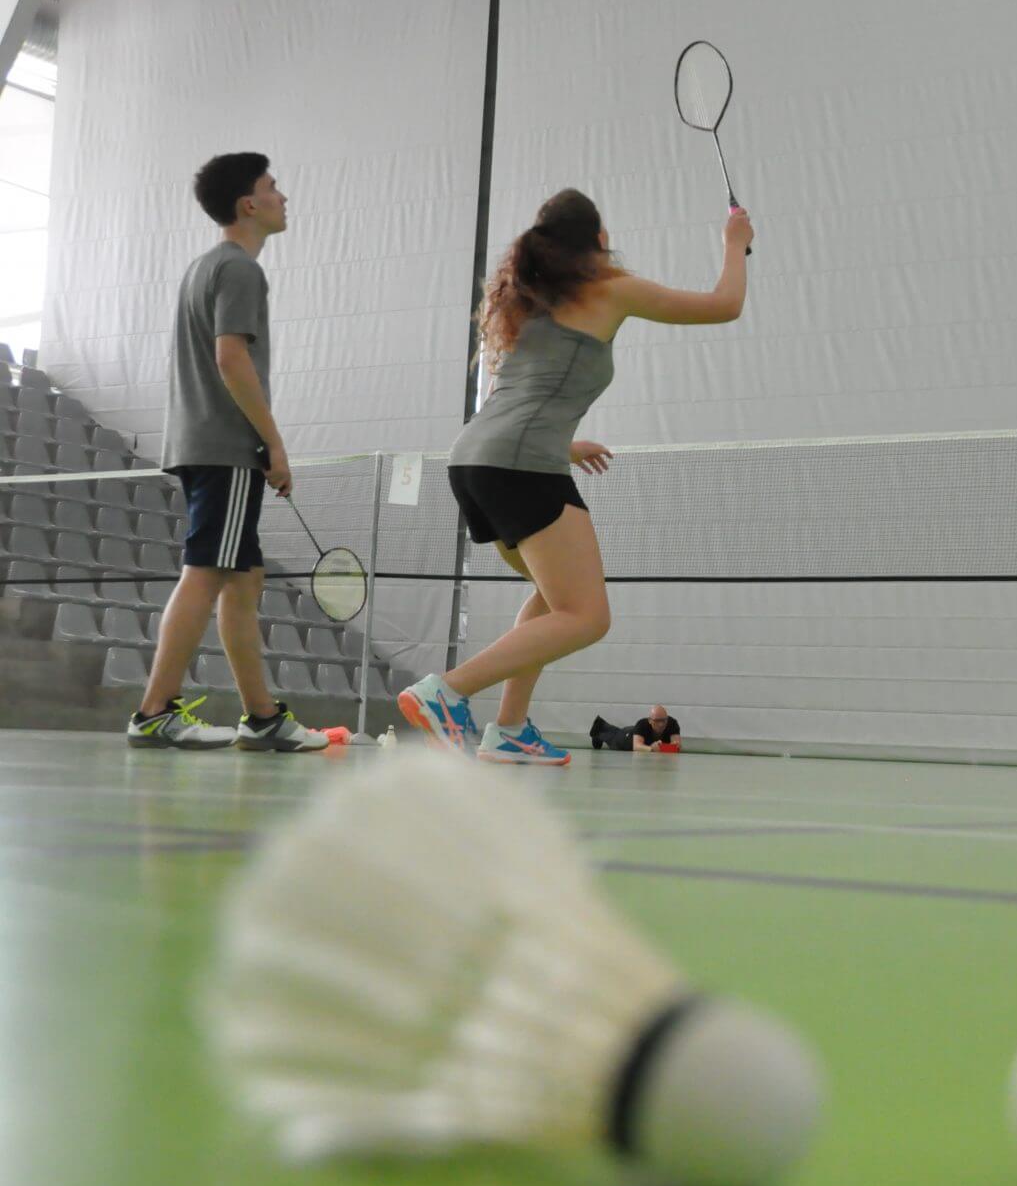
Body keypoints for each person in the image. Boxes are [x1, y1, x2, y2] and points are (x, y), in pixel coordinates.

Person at [398, 189, 752, 764]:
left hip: (478, 460)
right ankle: (449, 690)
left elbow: (526, 396)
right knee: (586, 617)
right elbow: (724, 304)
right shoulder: (609, 288)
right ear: (598, 241)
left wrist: (563, 444)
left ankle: (510, 729)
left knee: (551, 596)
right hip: (519, 464)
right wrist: (734, 244)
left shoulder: (529, 303)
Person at [126, 152, 325, 752]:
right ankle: (153, 711)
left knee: (243, 580)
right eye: (272, 187)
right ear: (248, 204)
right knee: (206, 573)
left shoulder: (202, 267)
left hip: (195, 442)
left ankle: (262, 718)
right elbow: (231, 358)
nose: (282, 197)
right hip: (226, 447)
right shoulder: (239, 270)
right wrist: (272, 442)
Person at [589, 704, 681, 752]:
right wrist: (651, 749)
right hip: (629, 738)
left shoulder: (672, 723)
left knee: (616, 731)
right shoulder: (642, 724)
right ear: (650, 720)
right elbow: (636, 746)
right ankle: (598, 729)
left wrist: (671, 746)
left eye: (663, 720)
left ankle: (602, 724)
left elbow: (677, 746)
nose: (661, 724)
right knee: (615, 740)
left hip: (638, 735)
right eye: (657, 721)